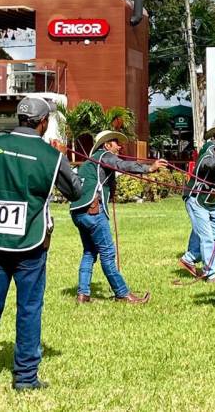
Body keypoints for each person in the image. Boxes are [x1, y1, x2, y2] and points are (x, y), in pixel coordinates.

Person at [0, 96, 82, 392]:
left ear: (19, 118)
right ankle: (26, 378)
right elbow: (76, 192)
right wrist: (61, 158)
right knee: (29, 307)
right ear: (43, 123)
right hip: (31, 240)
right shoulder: (49, 155)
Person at [70, 130, 167, 304]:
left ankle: (83, 294)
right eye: (116, 142)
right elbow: (122, 165)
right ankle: (122, 294)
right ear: (106, 145)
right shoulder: (105, 156)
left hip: (78, 212)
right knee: (107, 255)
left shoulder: (90, 162)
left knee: (89, 252)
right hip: (94, 212)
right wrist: (149, 168)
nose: (119, 146)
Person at [178, 136, 215, 283]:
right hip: (196, 200)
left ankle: (188, 258)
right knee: (207, 238)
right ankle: (210, 274)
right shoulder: (207, 156)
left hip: (211, 202)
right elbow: (209, 165)